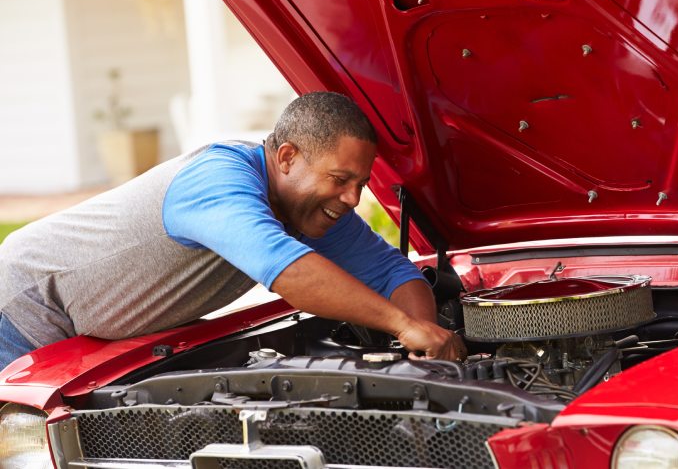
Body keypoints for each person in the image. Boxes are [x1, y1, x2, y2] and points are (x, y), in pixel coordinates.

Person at [0, 92, 465, 370]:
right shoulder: (218, 181)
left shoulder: (311, 208)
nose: (352, 198)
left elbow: (391, 272)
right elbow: (289, 273)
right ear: (286, 158)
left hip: (99, 333)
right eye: (340, 180)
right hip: (23, 312)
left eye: (360, 184)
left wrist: (425, 336)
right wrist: (401, 326)